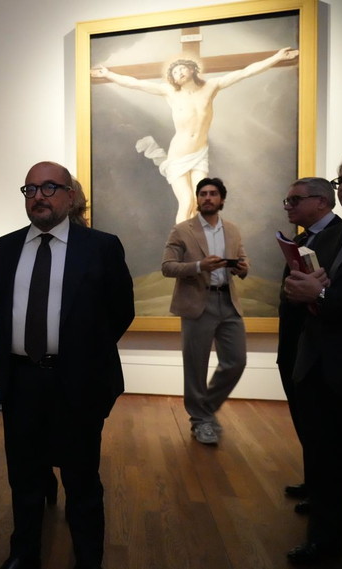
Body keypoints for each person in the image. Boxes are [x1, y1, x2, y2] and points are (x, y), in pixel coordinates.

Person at [0, 161, 135, 569]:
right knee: (24, 477)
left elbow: (121, 311)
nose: (39, 196)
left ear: (71, 196)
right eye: (30, 189)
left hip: (77, 382)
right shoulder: (4, 248)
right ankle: (24, 553)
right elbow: (4, 309)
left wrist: (85, 355)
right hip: (20, 381)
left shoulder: (100, 246)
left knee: (81, 479)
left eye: (49, 187)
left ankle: (88, 558)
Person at [283, 151, 342, 569]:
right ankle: (323, 541)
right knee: (326, 466)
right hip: (320, 369)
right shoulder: (333, 236)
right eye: (341, 180)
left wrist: (322, 295)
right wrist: (302, 291)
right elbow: (317, 291)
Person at [91, 47, 299, 224]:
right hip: (179, 154)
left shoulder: (211, 86)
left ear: (192, 69)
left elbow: (245, 72)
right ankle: (180, 247)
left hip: (200, 153)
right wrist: (109, 75)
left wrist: (277, 57)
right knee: (186, 201)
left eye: (182, 68)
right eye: (174, 72)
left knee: (200, 202)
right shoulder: (170, 92)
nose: (178, 73)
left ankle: (195, 246)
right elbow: (134, 83)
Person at [161, 177, 249, 445]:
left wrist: (243, 268)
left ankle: (205, 410)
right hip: (197, 303)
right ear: (198, 199)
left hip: (228, 301)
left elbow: (242, 259)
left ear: (222, 199)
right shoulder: (182, 230)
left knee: (236, 361)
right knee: (196, 367)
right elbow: (167, 267)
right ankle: (201, 421)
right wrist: (200, 266)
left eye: (213, 193)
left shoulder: (232, 230)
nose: (207, 198)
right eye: (203, 194)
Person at [276, 177, 342, 514]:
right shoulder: (305, 238)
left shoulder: (341, 236)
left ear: (321, 201)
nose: (288, 206)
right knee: (305, 418)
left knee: (321, 425)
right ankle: (314, 481)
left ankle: (323, 495)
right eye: (287, 201)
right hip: (295, 343)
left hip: (319, 347)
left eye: (295, 200)